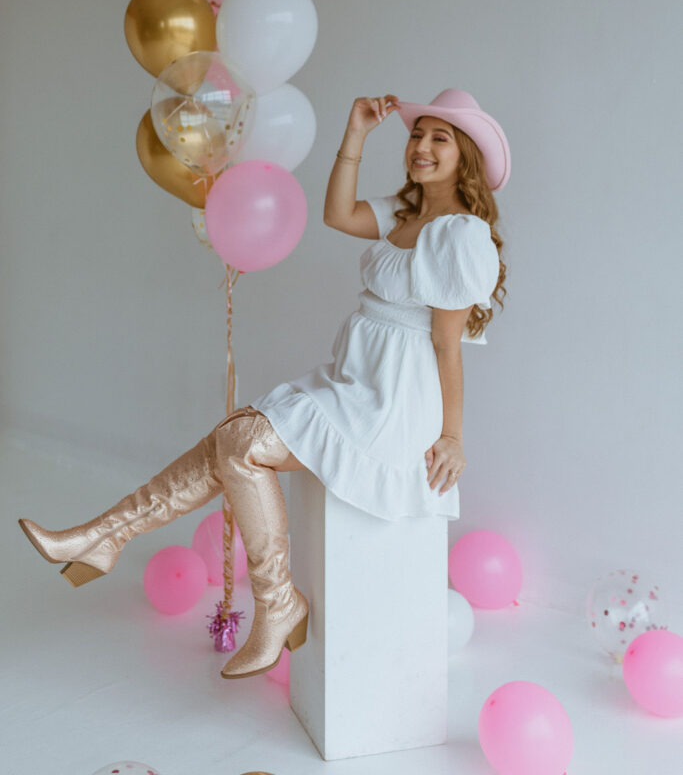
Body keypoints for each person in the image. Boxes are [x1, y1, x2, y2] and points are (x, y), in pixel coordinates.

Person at [18, 88, 510, 681]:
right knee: (233, 439)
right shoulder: (407, 216)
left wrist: (453, 436)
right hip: (354, 377)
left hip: (392, 400)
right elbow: (337, 214)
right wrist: (355, 131)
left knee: (242, 443)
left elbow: (447, 348)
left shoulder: (458, 235)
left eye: (440, 138)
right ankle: (107, 537)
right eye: (416, 134)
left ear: (468, 158)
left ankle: (267, 600)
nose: (421, 147)